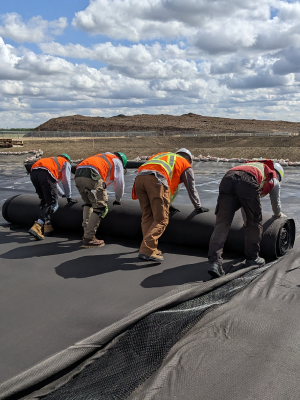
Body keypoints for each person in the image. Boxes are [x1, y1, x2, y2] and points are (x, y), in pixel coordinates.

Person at [207, 160, 285, 278]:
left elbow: (244, 202)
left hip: (227, 178)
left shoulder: (253, 165)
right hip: (248, 180)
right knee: (255, 222)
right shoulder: (273, 177)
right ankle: (252, 258)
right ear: (279, 174)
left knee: (222, 223)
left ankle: (214, 263)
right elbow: (276, 203)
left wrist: (245, 219)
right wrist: (278, 215)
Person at [132, 148, 209, 262]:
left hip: (139, 179)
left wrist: (169, 203)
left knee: (148, 216)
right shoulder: (184, 163)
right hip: (155, 180)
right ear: (189, 159)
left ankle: (151, 248)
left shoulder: (163, 155)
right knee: (161, 219)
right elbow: (191, 188)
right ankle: (147, 250)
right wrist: (198, 206)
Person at [75, 151, 127, 248]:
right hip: (91, 174)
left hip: (78, 174)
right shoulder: (117, 161)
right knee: (101, 207)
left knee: (88, 203)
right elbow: (119, 183)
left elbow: (103, 179)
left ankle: (86, 231)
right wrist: (118, 199)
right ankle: (89, 238)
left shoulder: (102, 156)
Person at [29, 154, 76, 240]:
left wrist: (62, 195)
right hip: (44, 174)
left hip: (34, 173)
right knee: (53, 204)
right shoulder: (65, 162)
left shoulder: (52, 161)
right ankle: (37, 226)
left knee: (45, 202)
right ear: (68, 160)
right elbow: (66, 180)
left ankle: (47, 227)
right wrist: (68, 197)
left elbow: (53, 183)